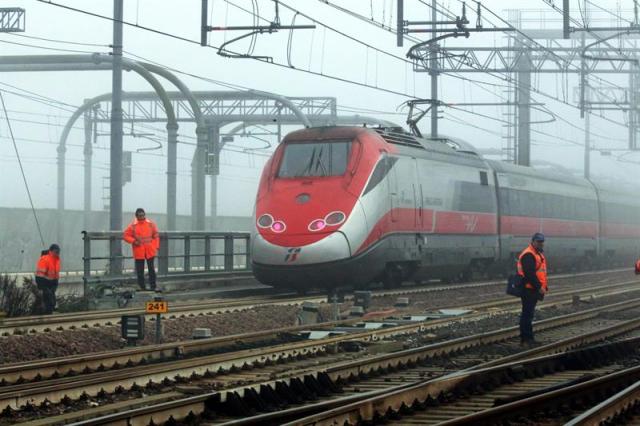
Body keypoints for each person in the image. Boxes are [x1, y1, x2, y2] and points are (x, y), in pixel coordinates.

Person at [516, 233, 548, 346]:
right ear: (533, 241)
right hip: (528, 289)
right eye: (538, 242)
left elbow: (539, 272)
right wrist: (539, 287)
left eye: (542, 242)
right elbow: (529, 274)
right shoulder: (529, 254)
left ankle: (527, 338)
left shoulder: (536, 253)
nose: (541, 244)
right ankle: (527, 339)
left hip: (531, 289)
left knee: (528, 314)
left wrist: (542, 286)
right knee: (527, 314)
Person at [123, 208, 160, 291]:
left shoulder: (150, 224)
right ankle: (142, 287)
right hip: (139, 251)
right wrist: (133, 241)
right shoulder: (133, 226)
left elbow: (156, 235)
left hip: (149, 250)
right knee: (140, 271)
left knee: (151, 269)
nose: (142, 217)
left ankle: (153, 286)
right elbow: (125, 236)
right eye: (140, 215)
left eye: (143, 215)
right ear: (136, 216)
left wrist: (155, 246)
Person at [35, 244, 61, 315]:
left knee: (51, 302)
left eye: (58, 252)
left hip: (52, 284)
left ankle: (49, 314)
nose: (57, 253)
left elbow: (56, 274)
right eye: (56, 252)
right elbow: (39, 275)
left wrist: (55, 286)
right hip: (44, 284)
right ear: (51, 251)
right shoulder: (45, 259)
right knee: (48, 301)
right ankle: (46, 315)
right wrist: (43, 288)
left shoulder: (57, 260)